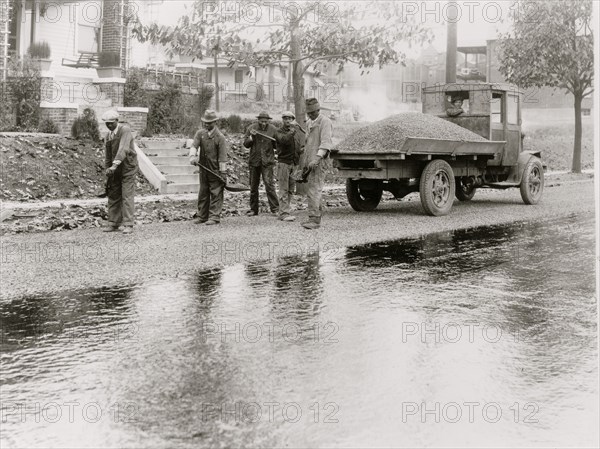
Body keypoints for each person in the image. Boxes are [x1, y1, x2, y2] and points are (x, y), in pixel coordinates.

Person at [188, 110, 229, 225]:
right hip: (203, 169)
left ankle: (214, 216)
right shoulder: (200, 134)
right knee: (203, 193)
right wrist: (192, 156)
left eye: (209, 123)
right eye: (205, 122)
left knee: (216, 193)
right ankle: (202, 216)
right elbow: (194, 145)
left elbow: (222, 157)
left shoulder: (220, 137)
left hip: (215, 170)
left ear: (215, 122)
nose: (206, 125)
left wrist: (223, 173)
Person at [102, 110, 138, 234]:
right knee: (113, 195)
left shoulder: (125, 130)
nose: (109, 125)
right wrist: (108, 169)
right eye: (107, 123)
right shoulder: (108, 136)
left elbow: (123, 148)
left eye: (111, 123)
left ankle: (128, 223)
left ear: (117, 121)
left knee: (126, 195)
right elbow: (108, 155)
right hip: (115, 169)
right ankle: (113, 222)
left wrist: (115, 164)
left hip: (127, 167)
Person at [301, 98, 333, 230]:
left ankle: (314, 220)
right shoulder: (310, 122)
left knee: (314, 190)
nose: (311, 115)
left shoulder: (325, 122)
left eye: (313, 112)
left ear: (318, 110)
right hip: (310, 161)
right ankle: (315, 216)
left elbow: (326, 143)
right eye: (309, 113)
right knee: (313, 189)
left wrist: (317, 158)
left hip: (319, 161)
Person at [243, 111, 279, 216]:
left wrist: (278, 142)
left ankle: (275, 209)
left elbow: (276, 146)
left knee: (269, 185)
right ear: (258, 120)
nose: (263, 123)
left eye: (265, 121)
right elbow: (246, 144)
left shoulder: (273, 129)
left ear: (268, 121)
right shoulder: (251, 128)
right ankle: (254, 210)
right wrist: (251, 137)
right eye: (262, 121)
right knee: (253, 186)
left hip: (267, 161)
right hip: (254, 161)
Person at [274, 110, 304, 221]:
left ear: (293, 120)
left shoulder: (296, 132)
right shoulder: (279, 132)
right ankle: (283, 213)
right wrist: (292, 132)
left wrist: (301, 151)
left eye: (290, 118)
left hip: (293, 164)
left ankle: (285, 210)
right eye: (285, 118)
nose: (288, 120)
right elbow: (283, 141)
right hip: (283, 163)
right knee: (283, 189)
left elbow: (298, 147)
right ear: (282, 120)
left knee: (291, 189)